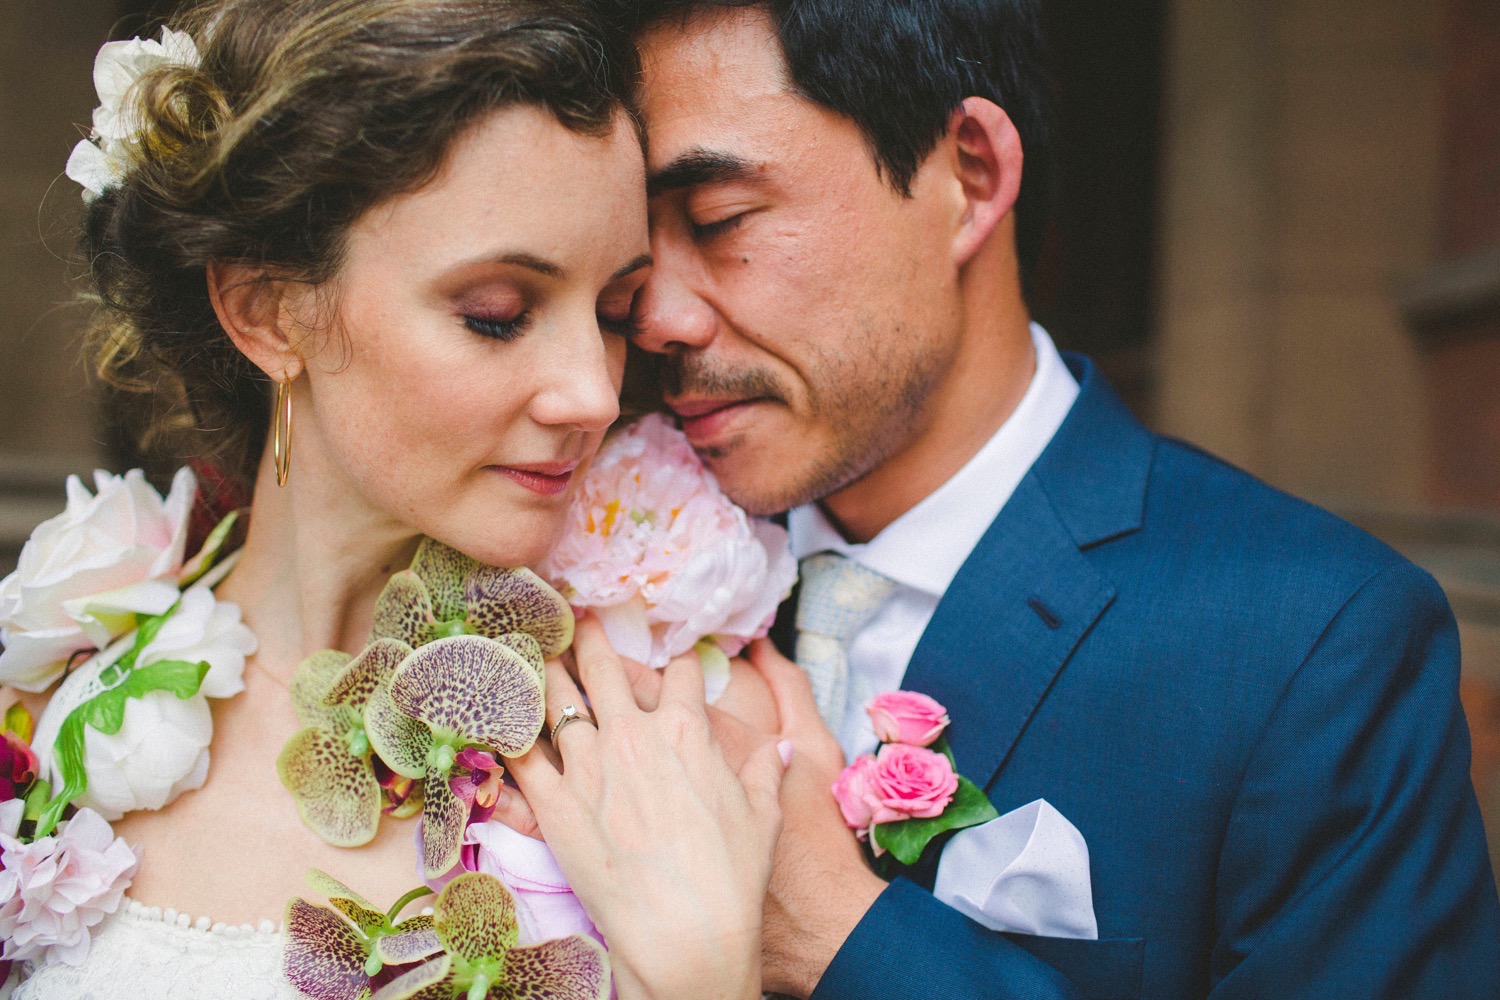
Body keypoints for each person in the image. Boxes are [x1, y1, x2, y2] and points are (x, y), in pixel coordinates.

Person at [594, 1, 1500, 997]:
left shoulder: (1312, 644)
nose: (655, 320)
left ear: (969, 175)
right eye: (634, 258)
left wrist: (843, 935)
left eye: (719, 220)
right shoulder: (610, 570)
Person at [1, 1, 782, 997]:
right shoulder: (44, 710)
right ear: (267, 310)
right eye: (498, 315)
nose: (593, 391)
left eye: (614, 309)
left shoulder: (674, 723)